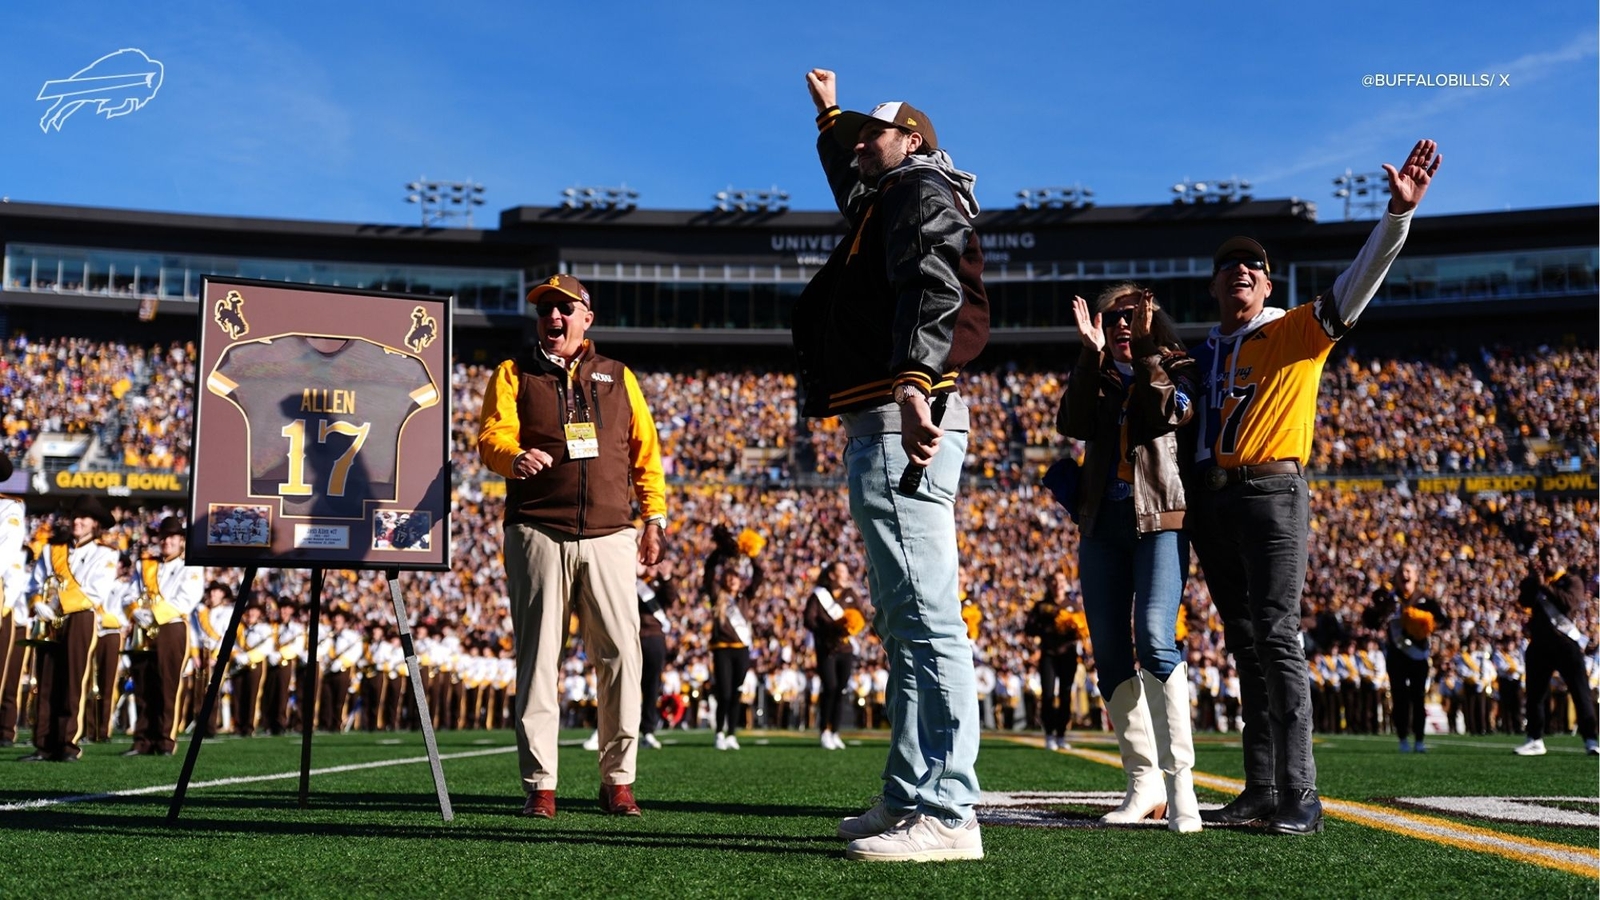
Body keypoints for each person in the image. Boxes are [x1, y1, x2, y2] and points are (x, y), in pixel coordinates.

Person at [1189, 139, 1442, 835]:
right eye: (1229, 265)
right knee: (1243, 644)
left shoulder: (1298, 330)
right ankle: (1261, 786)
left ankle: (1302, 792)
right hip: (1215, 498)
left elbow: (1359, 282)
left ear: (1269, 286)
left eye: (1255, 266)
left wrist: (1396, 216)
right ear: (1213, 286)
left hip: (1271, 490)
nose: (1241, 269)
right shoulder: (1205, 351)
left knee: (1275, 637)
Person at [797, 68, 989, 863]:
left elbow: (931, 281)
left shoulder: (917, 191)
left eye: (871, 134)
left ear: (911, 141)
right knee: (906, 623)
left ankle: (948, 811)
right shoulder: (892, 193)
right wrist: (830, 117)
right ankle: (911, 791)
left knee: (928, 621)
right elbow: (856, 183)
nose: (859, 148)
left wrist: (914, 376)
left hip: (902, 414)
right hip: (887, 413)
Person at [477, 272, 667, 819]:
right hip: (536, 527)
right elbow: (492, 435)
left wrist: (653, 519)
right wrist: (513, 458)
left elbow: (644, 452)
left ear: (587, 317)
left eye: (564, 309)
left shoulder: (618, 375)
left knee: (622, 657)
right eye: (544, 311)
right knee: (539, 660)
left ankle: (619, 781)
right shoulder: (513, 373)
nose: (553, 318)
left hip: (611, 533)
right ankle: (541, 786)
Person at [1059, 284, 1202, 832]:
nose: (1120, 323)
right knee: (1111, 652)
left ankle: (1182, 784)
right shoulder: (1095, 368)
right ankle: (1144, 785)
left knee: (1155, 636)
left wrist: (1143, 357)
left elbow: (1170, 412)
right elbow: (1071, 423)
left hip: (1160, 519)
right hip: (1101, 523)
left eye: (1131, 315)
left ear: (1150, 317)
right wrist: (1088, 355)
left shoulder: (1176, 363)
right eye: (1111, 316)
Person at [23, 495, 119, 762]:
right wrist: (38, 602)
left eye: (84, 517)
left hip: (80, 618)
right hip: (48, 619)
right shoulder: (51, 550)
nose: (77, 521)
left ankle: (67, 743)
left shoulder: (106, 553)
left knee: (72, 680)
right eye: (76, 516)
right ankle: (43, 744)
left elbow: (95, 593)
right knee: (45, 680)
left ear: (95, 524)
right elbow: (34, 584)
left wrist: (57, 602)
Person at [122, 516, 204, 756]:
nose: (167, 541)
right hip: (143, 626)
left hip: (171, 626)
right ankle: (142, 740)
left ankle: (165, 740)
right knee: (143, 683)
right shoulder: (145, 564)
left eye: (172, 537)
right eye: (164, 537)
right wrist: (136, 612)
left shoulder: (191, 565)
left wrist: (154, 614)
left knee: (168, 685)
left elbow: (186, 599)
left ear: (181, 541)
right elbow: (128, 595)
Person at [1513, 544, 1599, 756]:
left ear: (1559, 558)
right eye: (1544, 557)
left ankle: (1591, 739)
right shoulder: (1537, 582)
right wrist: (1533, 580)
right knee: (1535, 694)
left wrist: (1545, 586)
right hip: (1540, 644)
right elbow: (1523, 600)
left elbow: (1569, 604)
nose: (1547, 560)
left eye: (1550, 555)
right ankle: (1535, 738)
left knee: (1580, 692)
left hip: (1565, 644)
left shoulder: (1571, 580)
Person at [1362, 560, 1447, 752]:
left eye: (1409, 571)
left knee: (1418, 698)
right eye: (1401, 571)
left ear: (1416, 576)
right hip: (1397, 655)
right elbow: (1371, 621)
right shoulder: (1389, 599)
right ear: (1396, 577)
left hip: (1419, 655)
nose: (1405, 574)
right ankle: (1402, 739)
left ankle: (1419, 740)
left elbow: (1443, 621)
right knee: (1399, 698)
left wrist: (1425, 621)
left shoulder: (1425, 599)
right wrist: (1378, 610)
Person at [701, 525, 766, 751]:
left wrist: (752, 554)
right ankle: (719, 731)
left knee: (737, 692)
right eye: (728, 578)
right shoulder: (716, 596)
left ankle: (731, 733)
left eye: (735, 578)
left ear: (740, 581)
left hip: (741, 650)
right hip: (722, 649)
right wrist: (720, 551)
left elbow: (759, 575)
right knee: (724, 692)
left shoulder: (745, 598)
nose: (732, 581)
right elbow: (709, 570)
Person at [804, 561, 868, 751]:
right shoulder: (819, 595)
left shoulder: (851, 594)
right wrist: (829, 631)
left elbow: (861, 617)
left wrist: (851, 627)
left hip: (846, 650)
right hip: (827, 649)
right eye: (842, 571)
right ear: (831, 575)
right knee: (829, 687)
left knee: (840, 689)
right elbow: (809, 619)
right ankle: (824, 729)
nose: (846, 575)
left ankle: (835, 732)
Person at [1022, 572, 1084, 753]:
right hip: (1048, 654)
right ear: (1049, 584)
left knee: (1066, 695)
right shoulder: (1041, 606)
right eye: (1054, 581)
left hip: (1068, 655)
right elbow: (1029, 629)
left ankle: (1061, 734)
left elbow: (1083, 630)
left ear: (1066, 584)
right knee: (1048, 695)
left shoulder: (1073, 605)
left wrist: (1074, 628)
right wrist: (1046, 626)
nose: (1058, 584)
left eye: (1061, 581)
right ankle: (1049, 734)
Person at [637, 559, 677, 750]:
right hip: (632, 636)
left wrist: (667, 577)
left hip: (654, 638)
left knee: (651, 686)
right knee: (625, 684)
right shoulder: (632, 580)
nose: (652, 566)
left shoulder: (660, 584)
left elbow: (671, 598)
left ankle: (648, 730)